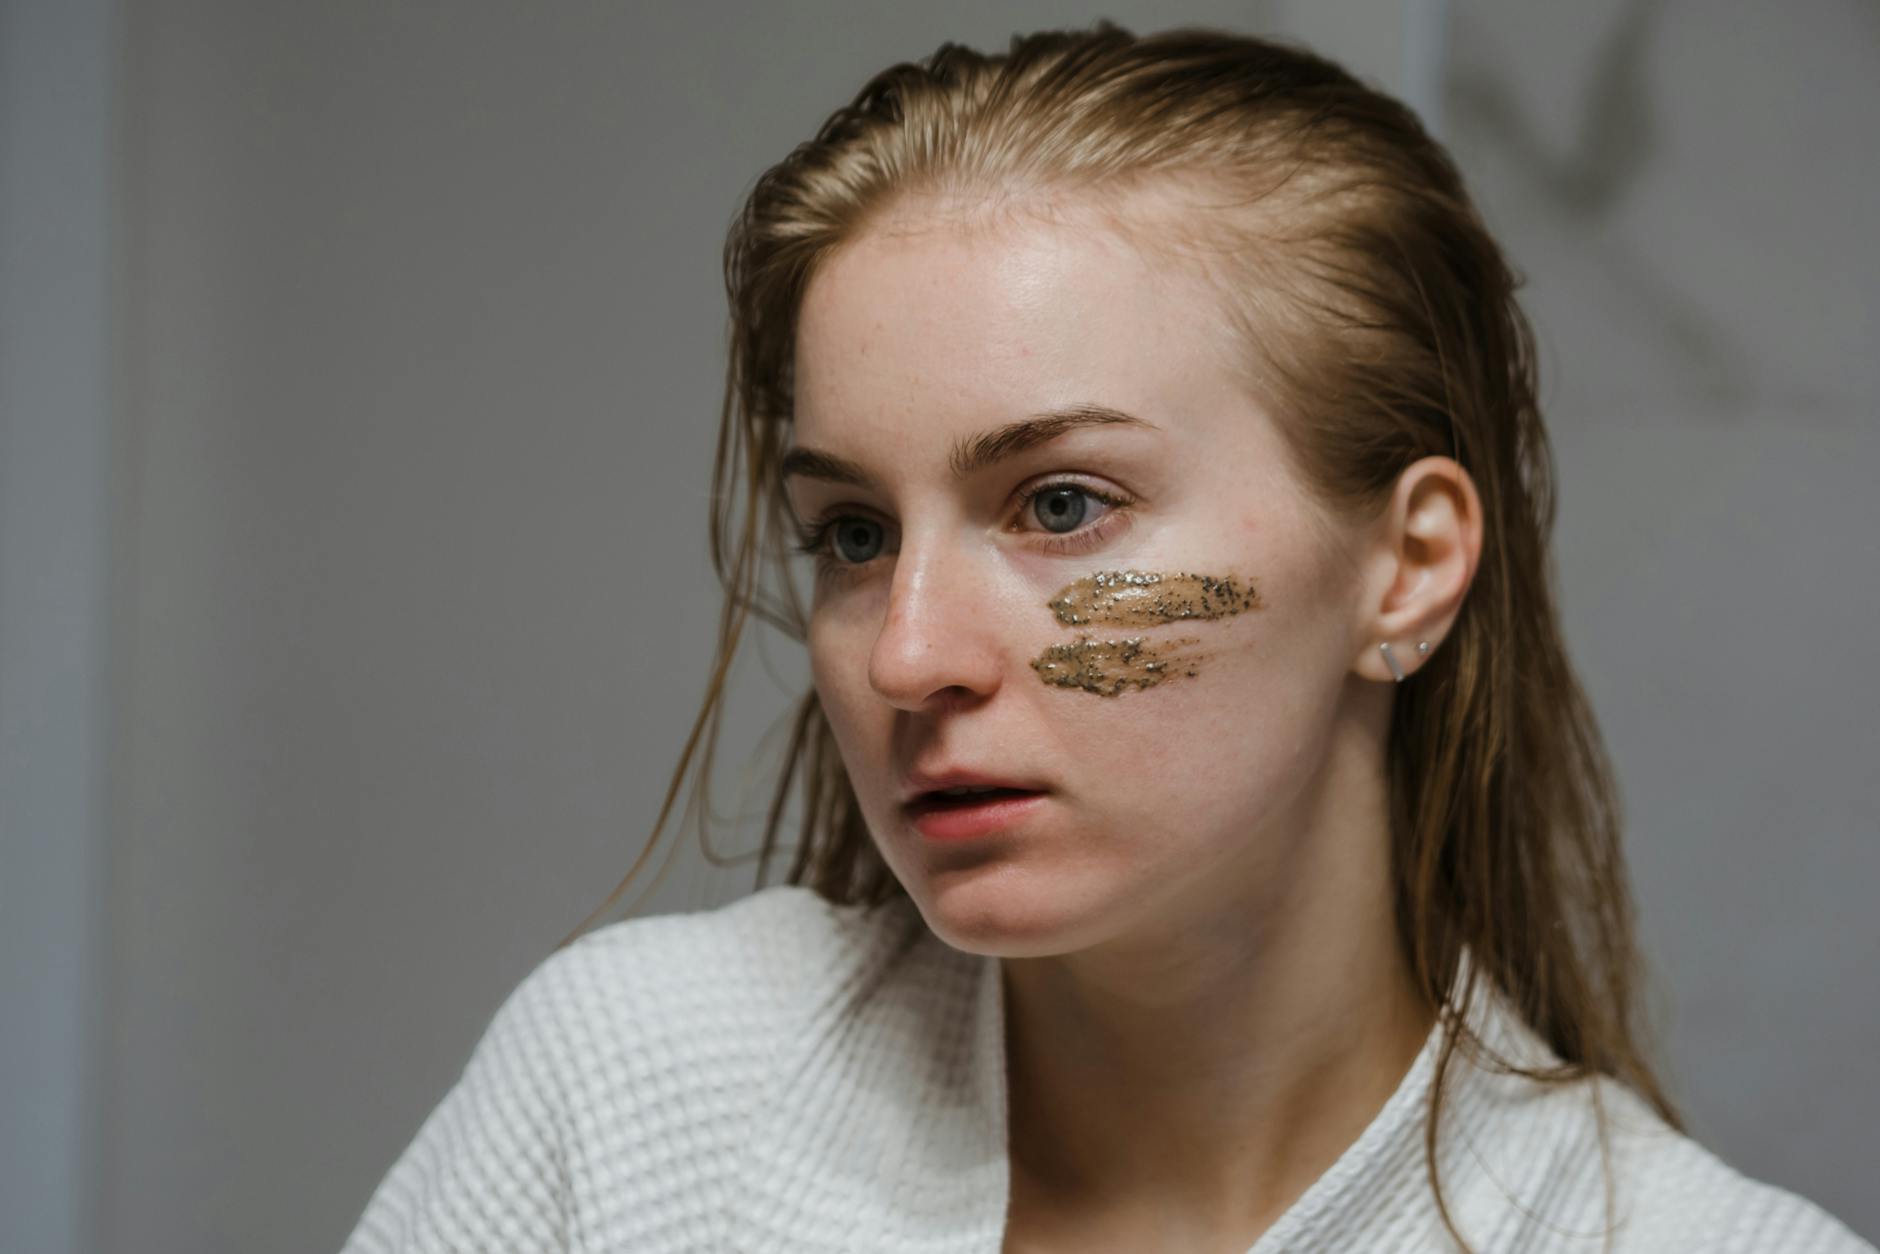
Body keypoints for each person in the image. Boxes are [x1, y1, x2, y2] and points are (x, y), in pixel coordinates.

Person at [340, 21, 1875, 1254]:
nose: (906, 655)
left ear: (1405, 567)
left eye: (1062, 505)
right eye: (853, 535)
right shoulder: (634, 1100)